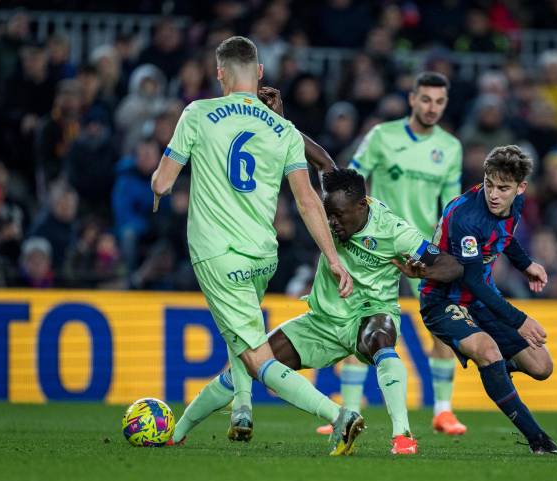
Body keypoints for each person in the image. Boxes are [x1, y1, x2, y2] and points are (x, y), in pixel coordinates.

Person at [150, 36, 361, 456]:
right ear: (259, 73)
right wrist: (334, 259)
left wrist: (160, 190)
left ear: (219, 73)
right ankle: (231, 412)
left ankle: (339, 416)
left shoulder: (198, 113)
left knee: (257, 358)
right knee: (240, 344)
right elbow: (306, 200)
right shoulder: (283, 129)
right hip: (263, 256)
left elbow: (162, 180)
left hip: (217, 254)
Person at [171, 169, 464, 455]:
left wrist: (423, 272)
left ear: (362, 205)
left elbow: (453, 266)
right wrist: (286, 131)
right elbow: (317, 158)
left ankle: (402, 436)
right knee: (251, 365)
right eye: (329, 215)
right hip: (321, 321)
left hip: (370, 313)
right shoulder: (336, 204)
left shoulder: (396, 232)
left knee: (380, 339)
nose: (333, 223)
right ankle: (176, 432)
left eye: (339, 215)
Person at [418, 145, 557, 455]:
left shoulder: (517, 203)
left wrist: (526, 265)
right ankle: (539, 440)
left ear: (520, 188)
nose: (494, 194)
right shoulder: (466, 217)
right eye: (489, 184)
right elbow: (469, 278)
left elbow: (504, 236)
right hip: (443, 299)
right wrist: (519, 320)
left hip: (481, 298)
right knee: (488, 350)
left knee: (542, 366)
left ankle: (496, 371)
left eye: (503, 188)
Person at [345, 71, 467, 435]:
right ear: (412, 99)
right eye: (426, 99)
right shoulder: (383, 136)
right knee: (358, 324)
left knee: (442, 326)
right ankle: (349, 410)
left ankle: (443, 410)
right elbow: (352, 178)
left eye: (440, 102)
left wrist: (447, 250)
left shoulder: (451, 147)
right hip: (376, 244)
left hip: (420, 247)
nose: (432, 108)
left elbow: (450, 205)